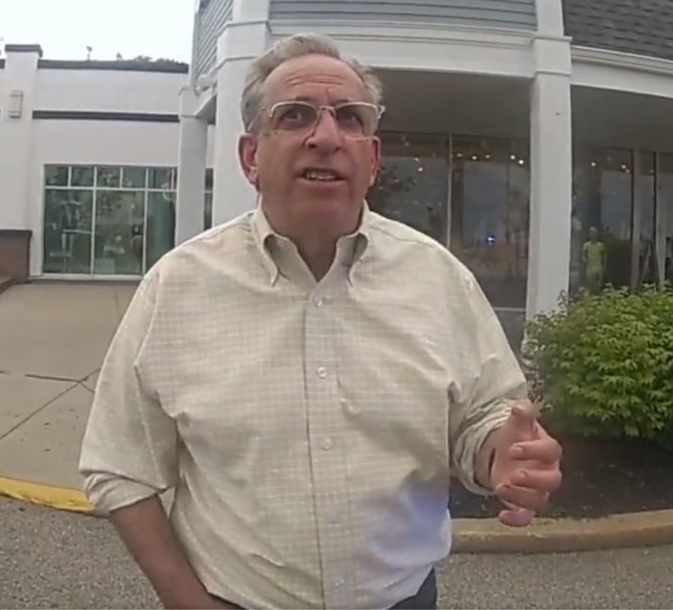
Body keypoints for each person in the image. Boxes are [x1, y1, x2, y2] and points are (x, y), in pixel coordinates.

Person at [78, 33, 563, 610]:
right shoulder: (177, 288)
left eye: (350, 119)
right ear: (250, 156)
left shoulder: (439, 279)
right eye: (295, 116)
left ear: (373, 158)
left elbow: (482, 420)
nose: (327, 137)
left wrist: (501, 456)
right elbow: (119, 468)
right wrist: (185, 600)